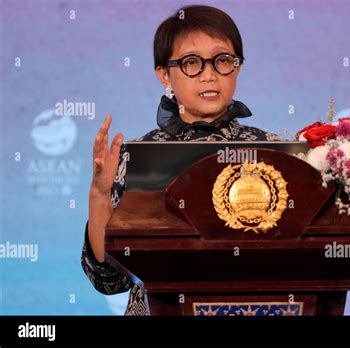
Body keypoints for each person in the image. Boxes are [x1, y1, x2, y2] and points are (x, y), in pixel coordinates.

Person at [81, 4, 282, 315]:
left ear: (237, 67)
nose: (209, 74)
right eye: (191, 62)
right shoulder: (137, 156)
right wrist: (99, 196)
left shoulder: (273, 151)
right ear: (164, 74)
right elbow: (110, 280)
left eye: (222, 60)